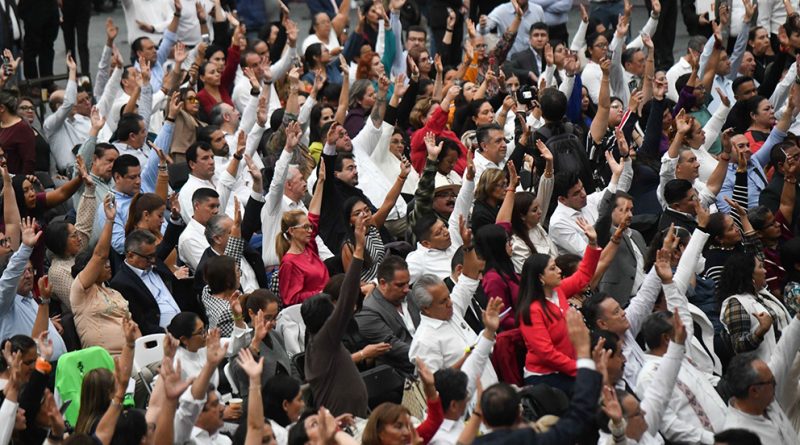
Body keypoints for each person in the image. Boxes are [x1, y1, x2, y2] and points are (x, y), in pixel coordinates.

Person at [469, 309, 602, 444]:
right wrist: (584, 352)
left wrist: (489, 332)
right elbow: (580, 414)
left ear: (484, 420)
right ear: (519, 412)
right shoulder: (536, 440)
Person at [516, 218, 600, 394]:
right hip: (546, 376)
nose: (559, 271)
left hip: (571, 366)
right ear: (540, 278)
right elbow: (546, 354)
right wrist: (581, 369)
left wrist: (592, 243)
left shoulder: (558, 291)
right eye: (553, 269)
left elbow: (584, 274)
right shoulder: (532, 311)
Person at [301, 213, 369, 417]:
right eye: (333, 308)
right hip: (343, 425)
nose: (337, 310)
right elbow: (347, 298)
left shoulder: (319, 340)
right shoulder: (323, 340)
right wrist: (358, 250)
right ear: (327, 319)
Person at [70, 195, 129, 355]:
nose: (108, 264)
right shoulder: (80, 291)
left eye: (109, 262)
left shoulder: (114, 292)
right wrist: (110, 221)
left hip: (132, 355)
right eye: (104, 264)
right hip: (105, 363)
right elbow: (100, 255)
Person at [0, 217, 67, 359]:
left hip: (56, 368)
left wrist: (49, 323)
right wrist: (25, 247)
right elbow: (10, 277)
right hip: (30, 375)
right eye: (23, 272)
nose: (28, 275)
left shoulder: (31, 299)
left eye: (31, 270)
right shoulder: (4, 303)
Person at [718, 253, 792, 362]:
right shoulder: (736, 303)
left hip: (787, 360)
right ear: (749, 274)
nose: (765, 271)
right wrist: (760, 331)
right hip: (767, 367)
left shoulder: (763, 295)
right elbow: (738, 346)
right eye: (761, 267)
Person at [276, 158, 329, 307]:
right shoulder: (289, 263)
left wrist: (321, 182)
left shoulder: (309, 247)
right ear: (292, 231)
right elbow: (290, 299)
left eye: (309, 227)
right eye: (305, 227)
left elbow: (313, 215)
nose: (310, 230)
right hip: (313, 314)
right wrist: (322, 292)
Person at [109, 230, 182, 335]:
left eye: (154, 255)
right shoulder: (121, 283)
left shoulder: (154, 262)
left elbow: (167, 242)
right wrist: (171, 333)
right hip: (162, 337)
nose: (153, 260)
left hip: (184, 323)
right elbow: (141, 324)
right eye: (148, 257)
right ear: (131, 256)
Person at [356, 256, 416, 375]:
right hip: (403, 373)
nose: (406, 289)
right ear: (383, 283)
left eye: (408, 283)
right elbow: (392, 346)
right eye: (400, 285)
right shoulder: (368, 311)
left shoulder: (410, 295)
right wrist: (431, 355)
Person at [361, 360, 443, 445]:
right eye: (398, 426)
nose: (407, 433)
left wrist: (430, 387)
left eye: (408, 426)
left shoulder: (410, 439)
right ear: (379, 431)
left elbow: (434, 420)